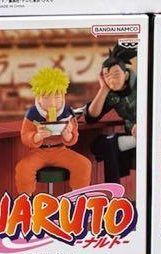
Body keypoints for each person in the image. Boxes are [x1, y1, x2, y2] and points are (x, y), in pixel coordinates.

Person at [13, 67, 93, 195]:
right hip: (38, 152)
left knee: (84, 164)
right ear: (38, 97)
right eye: (46, 97)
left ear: (63, 96)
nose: (52, 103)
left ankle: (78, 198)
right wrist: (37, 136)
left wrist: (68, 136)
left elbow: (74, 137)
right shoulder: (32, 113)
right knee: (23, 168)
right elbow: (25, 136)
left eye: (57, 97)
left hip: (61, 150)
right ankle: (25, 201)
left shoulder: (67, 113)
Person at [83, 43, 138, 188]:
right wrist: (103, 89)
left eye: (116, 74)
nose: (112, 79)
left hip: (152, 139)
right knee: (100, 145)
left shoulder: (143, 85)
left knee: (109, 144)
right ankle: (114, 190)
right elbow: (91, 117)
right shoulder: (113, 94)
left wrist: (145, 125)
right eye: (107, 76)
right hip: (132, 138)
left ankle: (113, 191)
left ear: (126, 74)